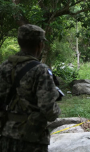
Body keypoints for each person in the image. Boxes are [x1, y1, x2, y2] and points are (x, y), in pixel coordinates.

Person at [0, 24, 61, 152]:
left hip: (7, 135)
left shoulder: (4, 67)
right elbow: (49, 110)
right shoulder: (40, 70)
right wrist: (56, 108)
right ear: (40, 45)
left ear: (19, 42)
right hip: (32, 139)